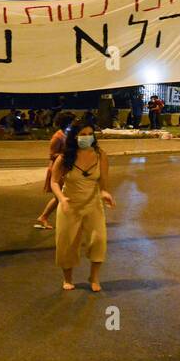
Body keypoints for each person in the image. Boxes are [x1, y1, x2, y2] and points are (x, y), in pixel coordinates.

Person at [49, 115, 115, 291]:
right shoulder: (64, 158)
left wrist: (105, 192)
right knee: (67, 243)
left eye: (90, 133)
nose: (87, 137)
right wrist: (61, 198)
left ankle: (94, 277)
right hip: (69, 205)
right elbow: (54, 182)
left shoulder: (101, 155)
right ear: (75, 136)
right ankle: (67, 278)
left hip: (93, 204)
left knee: (98, 240)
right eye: (82, 134)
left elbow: (103, 182)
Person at [35, 111, 76, 229]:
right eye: (73, 121)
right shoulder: (57, 137)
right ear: (67, 122)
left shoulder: (68, 134)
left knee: (62, 196)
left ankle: (44, 217)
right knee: (61, 196)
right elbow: (52, 155)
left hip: (66, 168)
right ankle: (44, 217)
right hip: (57, 169)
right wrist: (65, 154)